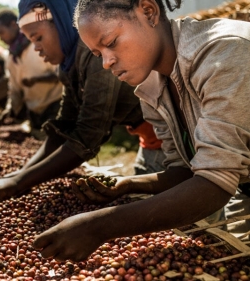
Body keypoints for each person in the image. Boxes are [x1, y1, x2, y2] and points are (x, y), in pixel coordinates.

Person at [30, 0, 250, 262]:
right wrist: (127, 185)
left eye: (111, 42)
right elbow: (184, 170)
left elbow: (215, 184)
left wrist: (100, 226)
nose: (107, 63)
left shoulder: (225, 52)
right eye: (98, 54)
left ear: (148, 11)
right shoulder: (152, 85)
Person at [0, 0, 164, 205]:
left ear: (60, 23)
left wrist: (20, 181)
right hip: (149, 140)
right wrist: (20, 175)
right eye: (31, 41)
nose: (37, 48)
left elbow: (88, 134)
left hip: (169, 139)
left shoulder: (95, 54)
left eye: (38, 38)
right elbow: (65, 125)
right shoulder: (68, 66)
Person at [0, 8, 63, 131]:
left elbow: (61, 75)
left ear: (13, 25)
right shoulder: (11, 58)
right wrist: (10, 109)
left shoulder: (39, 46)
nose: (0, 39)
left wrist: (36, 80)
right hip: (34, 112)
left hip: (56, 105)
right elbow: (14, 89)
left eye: (1, 33)